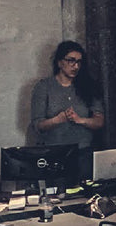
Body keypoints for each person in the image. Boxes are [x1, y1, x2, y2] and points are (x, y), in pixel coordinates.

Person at [30, 40, 105, 180]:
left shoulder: (88, 86)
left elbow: (99, 122)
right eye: (71, 61)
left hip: (83, 153)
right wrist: (57, 120)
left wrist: (80, 120)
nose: (75, 66)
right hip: (54, 153)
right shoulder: (44, 87)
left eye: (79, 62)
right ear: (59, 62)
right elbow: (37, 125)